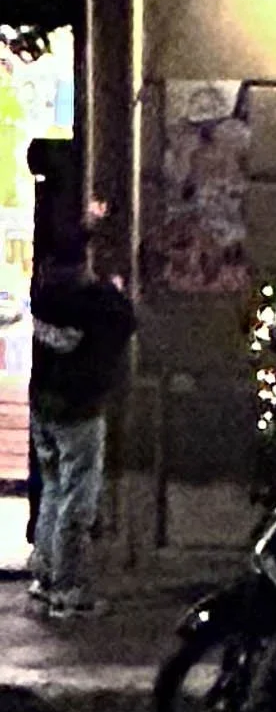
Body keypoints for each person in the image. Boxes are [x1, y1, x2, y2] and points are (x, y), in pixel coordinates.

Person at [27, 223, 137, 619]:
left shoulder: (42, 295)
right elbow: (124, 322)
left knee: (54, 492)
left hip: (43, 407)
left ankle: (44, 576)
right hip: (79, 410)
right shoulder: (94, 300)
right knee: (77, 500)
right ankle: (68, 589)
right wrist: (115, 288)